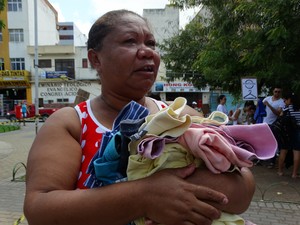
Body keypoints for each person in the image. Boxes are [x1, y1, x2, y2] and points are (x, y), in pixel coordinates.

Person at [24, 10, 255, 225]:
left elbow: (243, 190)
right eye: (129, 41)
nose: (147, 52)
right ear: (95, 59)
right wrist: (143, 196)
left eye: (151, 43)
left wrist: (174, 192)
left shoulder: (181, 116)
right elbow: (39, 209)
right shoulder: (72, 123)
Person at [277, 93, 300, 178]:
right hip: (298, 131)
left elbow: (281, 117)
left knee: (283, 151)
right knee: (297, 152)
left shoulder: (287, 108)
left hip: (287, 132)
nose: (284, 101)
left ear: (290, 100)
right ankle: (294, 174)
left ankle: (280, 171)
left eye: (286, 99)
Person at [263, 87, 285, 168]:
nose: (277, 93)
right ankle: (265, 158)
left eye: (279, 92)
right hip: (265, 123)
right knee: (266, 142)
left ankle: (272, 161)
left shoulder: (281, 101)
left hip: (273, 124)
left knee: (273, 142)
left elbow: (278, 113)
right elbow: (261, 105)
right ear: (273, 91)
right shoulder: (267, 98)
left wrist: (269, 105)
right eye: (276, 91)